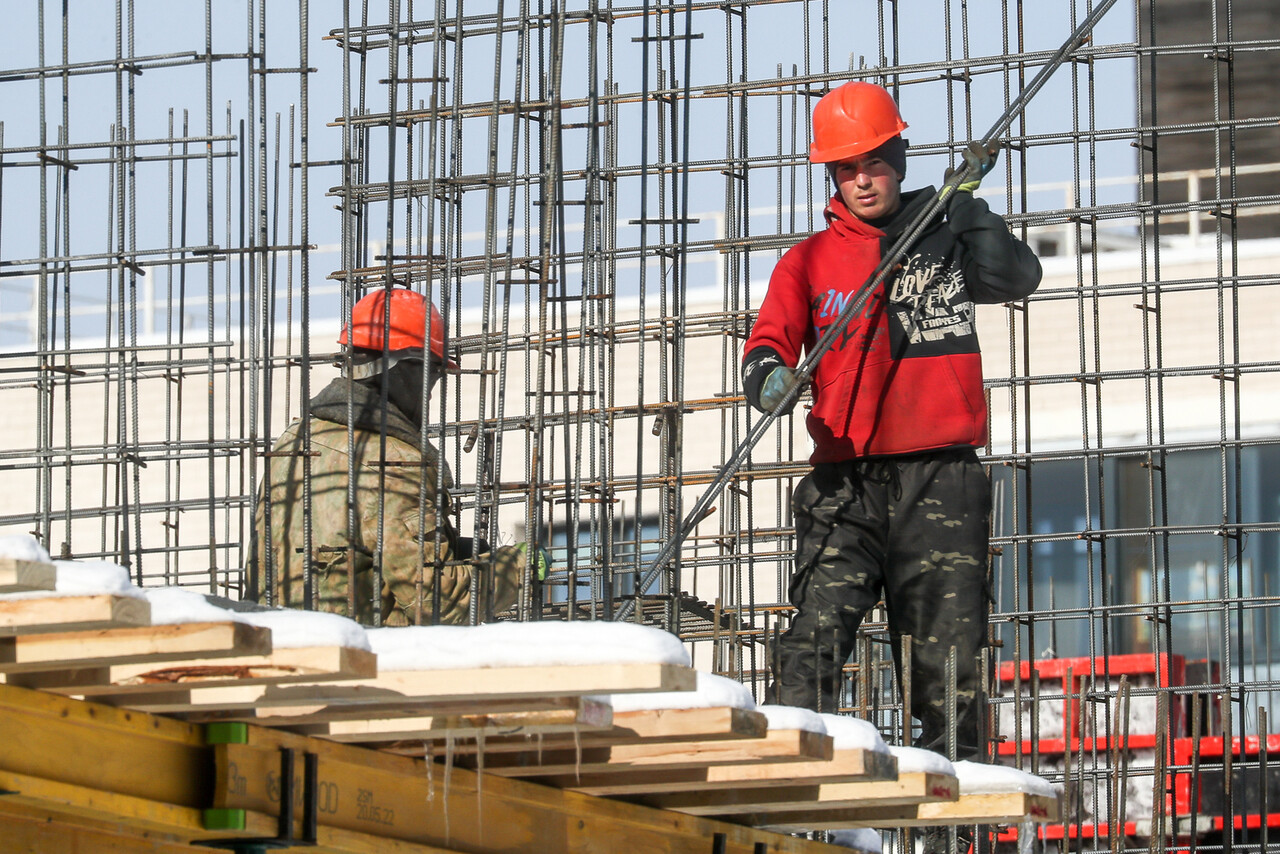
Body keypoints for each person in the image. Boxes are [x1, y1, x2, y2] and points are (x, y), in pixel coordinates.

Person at [742, 82, 1041, 764]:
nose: (861, 180)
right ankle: (789, 796)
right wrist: (768, 380)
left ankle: (949, 828)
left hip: (941, 478)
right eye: (845, 168)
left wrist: (965, 208)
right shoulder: (808, 261)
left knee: (946, 662)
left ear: (899, 158)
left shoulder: (944, 237)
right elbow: (767, 343)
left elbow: (1016, 277)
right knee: (812, 642)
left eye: (872, 162)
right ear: (831, 176)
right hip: (845, 483)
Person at [250, 287, 537, 626]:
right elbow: (440, 604)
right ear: (406, 367)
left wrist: (451, 550)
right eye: (434, 374)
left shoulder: (294, 439)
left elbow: (348, 549)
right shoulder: (394, 462)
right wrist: (518, 565)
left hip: (283, 646)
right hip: (361, 662)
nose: (429, 392)